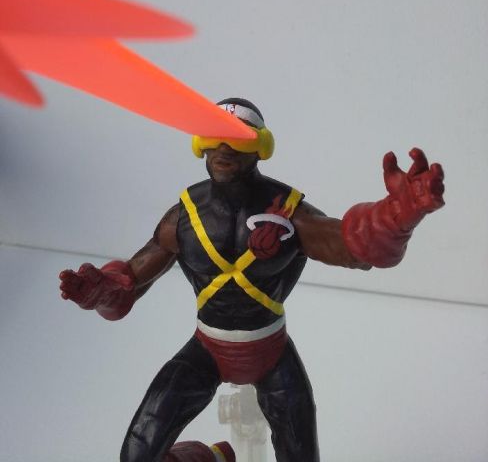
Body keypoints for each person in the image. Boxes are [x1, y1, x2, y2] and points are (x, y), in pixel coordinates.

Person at [59, 98, 445, 462]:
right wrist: (101, 291)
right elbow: (131, 281)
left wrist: (399, 215)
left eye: (238, 137)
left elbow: (352, 249)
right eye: (213, 137)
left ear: (260, 146)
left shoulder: (288, 212)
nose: (223, 148)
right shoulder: (184, 217)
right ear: (199, 144)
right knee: (138, 452)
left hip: (271, 352)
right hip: (206, 349)